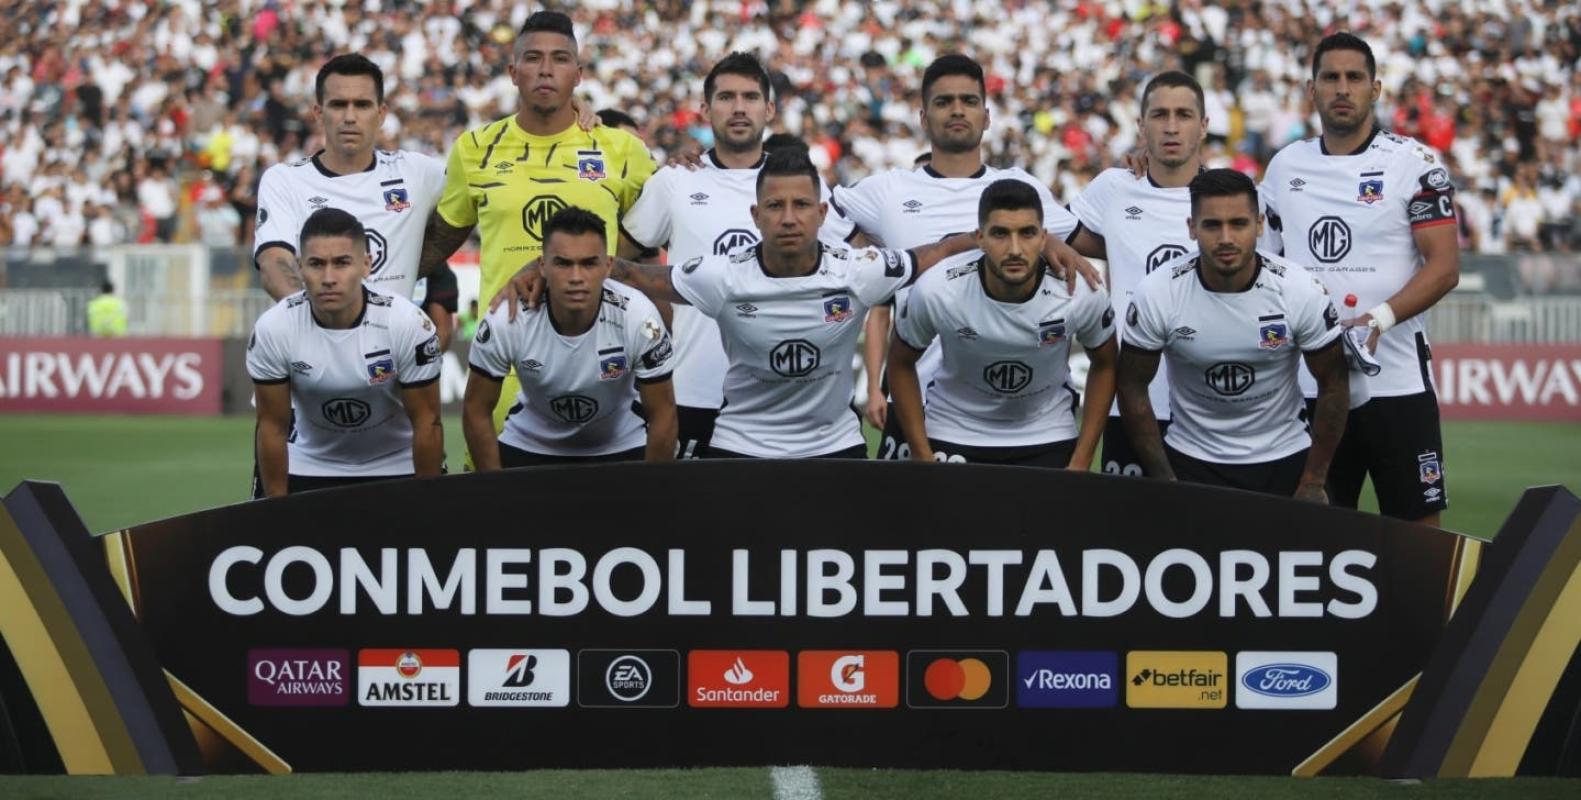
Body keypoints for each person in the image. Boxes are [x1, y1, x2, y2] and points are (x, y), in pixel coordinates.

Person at [502, 149, 985, 459]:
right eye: (775, 206)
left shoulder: (859, 270)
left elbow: (937, 251)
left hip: (834, 449)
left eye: (801, 206)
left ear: (822, 214)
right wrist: (538, 268)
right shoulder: (723, 276)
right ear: (756, 215)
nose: (789, 218)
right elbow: (631, 272)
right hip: (740, 448)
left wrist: (1007, 240)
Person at [832, 55, 1090, 460]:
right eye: (944, 101)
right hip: (914, 401)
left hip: (1006, 414)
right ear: (923, 117)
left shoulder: (1020, 188)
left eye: (969, 101)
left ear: (986, 117)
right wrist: (870, 254)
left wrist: (1142, 175)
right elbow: (811, 211)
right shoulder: (888, 191)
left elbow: (1101, 239)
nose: (957, 110)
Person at [420, 10, 657, 446]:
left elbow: (660, 232)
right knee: (501, 489)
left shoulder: (622, 149)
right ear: (513, 72)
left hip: (605, 367)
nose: (546, 69)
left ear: (579, 74)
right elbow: (437, 242)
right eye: (533, 58)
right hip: (504, 366)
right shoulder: (474, 149)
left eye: (560, 59)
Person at [1258, 32, 1459, 523]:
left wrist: (1378, 320)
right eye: (1331, 78)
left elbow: (1444, 267)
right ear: (1312, 90)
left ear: (1376, 89)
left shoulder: (1413, 163)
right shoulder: (1285, 166)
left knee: (1420, 538)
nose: (1342, 88)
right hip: (1309, 387)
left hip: (1397, 384)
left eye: (1354, 77)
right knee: (1312, 538)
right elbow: (1262, 262)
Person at [620, 52, 854, 459]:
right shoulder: (675, 180)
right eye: (726, 97)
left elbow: (850, 265)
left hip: (782, 401)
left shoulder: (799, 185)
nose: (739, 108)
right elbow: (618, 264)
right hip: (692, 392)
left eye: (750, 97)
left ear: (769, 109)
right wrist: (653, 321)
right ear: (706, 109)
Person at [1117, 169, 1349, 500]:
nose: (1226, 238)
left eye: (1238, 224)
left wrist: (1313, 481)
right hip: (1191, 459)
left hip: (1285, 458)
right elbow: (1131, 385)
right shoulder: (1158, 293)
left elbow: (1335, 383)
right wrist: (1164, 477)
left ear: (1259, 225)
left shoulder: (1299, 290)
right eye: (1212, 225)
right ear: (1192, 228)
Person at [889, 179, 1118, 468]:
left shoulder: (1080, 293)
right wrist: (921, 453)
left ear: (1044, 238)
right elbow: (900, 362)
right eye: (1000, 234)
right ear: (979, 238)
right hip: (953, 429)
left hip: (1047, 432)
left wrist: (1083, 458)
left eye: (1027, 233)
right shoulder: (937, 289)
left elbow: (1106, 364)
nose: (1015, 249)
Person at [247, 208, 443, 498]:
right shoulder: (274, 328)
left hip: (398, 464)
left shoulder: (406, 323)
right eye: (316, 264)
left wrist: (428, 504)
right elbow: (272, 426)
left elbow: (427, 422)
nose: (328, 277)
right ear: (299, 267)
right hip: (310, 465)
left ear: (366, 265)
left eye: (342, 263)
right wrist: (277, 508)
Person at [1068, 71, 1206, 478]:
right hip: (1129, 402)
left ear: (1203, 125)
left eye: (1183, 115)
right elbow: (1051, 235)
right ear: (1141, 125)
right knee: (1128, 519)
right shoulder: (1113, 188)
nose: (1171, 126)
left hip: (1209, 406)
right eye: (1160, 115)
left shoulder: (1229, 198)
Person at [463, 207, 676, 467]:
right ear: (542, 266)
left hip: (622, 444)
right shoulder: (508, 317)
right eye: (563, 263)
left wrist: (653, 490)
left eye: (589, 263)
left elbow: (663, 413)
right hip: (529, 444)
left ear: (608, 266)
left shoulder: (638, 316)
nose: (576, 277)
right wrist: (493, 486)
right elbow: (476, 410)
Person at [252, 54, 447, 310]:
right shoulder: (284, 180)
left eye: (362, 105)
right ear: (318, 114)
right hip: (314, 332)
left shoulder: (418, 172)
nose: (350, 117)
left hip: (394, 335)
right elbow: (274, 265)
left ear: (381, 114)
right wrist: (319, 322)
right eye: (338, 105)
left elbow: (476, 201)